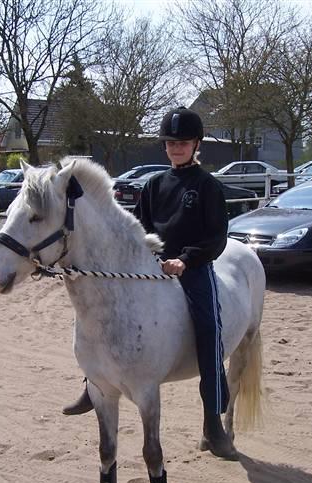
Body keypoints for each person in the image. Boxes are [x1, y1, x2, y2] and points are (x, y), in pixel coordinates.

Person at [63, 107, 236, 458]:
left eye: (183, 142)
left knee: (209, 327)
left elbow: (216, 238)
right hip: (151, 266)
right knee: (100, 315)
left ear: (196, 144)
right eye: (171, 143)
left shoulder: (208, 187)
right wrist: (139, 257)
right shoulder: (154, 184)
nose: (176, 148)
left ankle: (214, 423)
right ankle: (92, 382)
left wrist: (185, 260)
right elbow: (138, 229)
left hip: (193, 267)